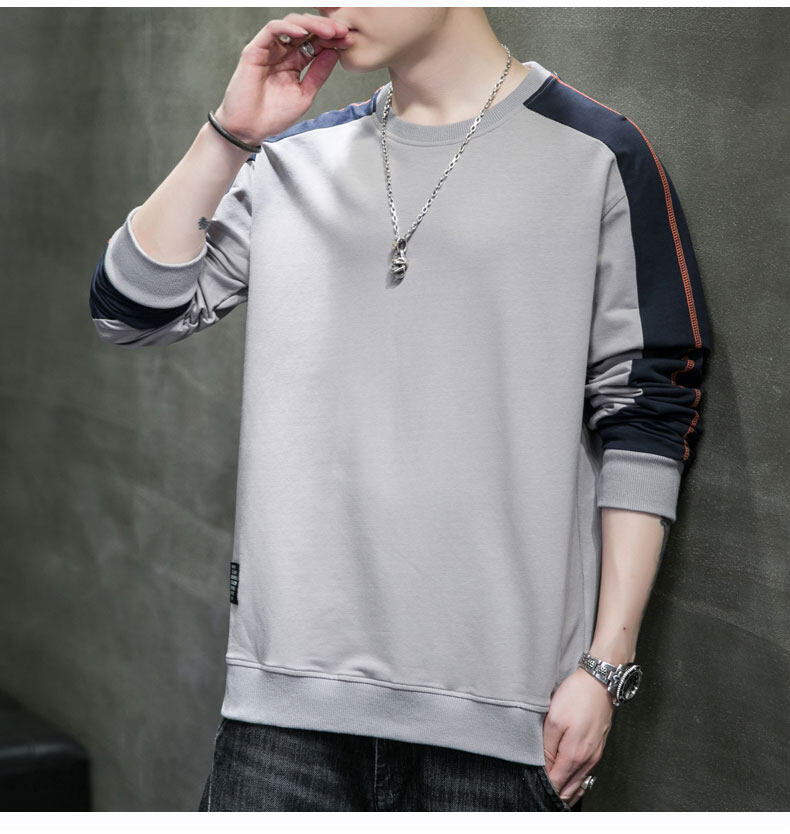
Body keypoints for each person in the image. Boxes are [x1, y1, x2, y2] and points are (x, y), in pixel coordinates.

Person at [89, 7, 711, 812]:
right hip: (283, 713)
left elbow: (647, 412)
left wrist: (605, 666)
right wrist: (229, 135)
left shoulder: (599, 154)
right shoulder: (292, 160)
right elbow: (130, 313)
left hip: (507, 723)